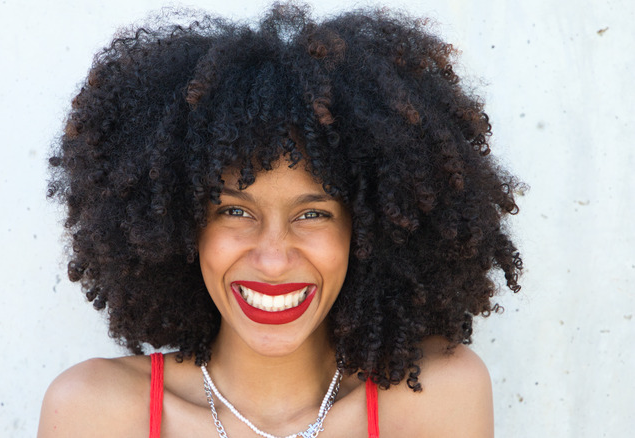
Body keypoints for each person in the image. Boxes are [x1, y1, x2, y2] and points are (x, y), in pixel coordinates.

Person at [38, 3, 523, 437]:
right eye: (234, 211)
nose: (273, 259)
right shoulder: (94, 411)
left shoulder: (437, 398)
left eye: (312, 213)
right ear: (180, 229)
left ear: (371, 232)